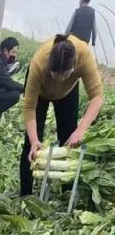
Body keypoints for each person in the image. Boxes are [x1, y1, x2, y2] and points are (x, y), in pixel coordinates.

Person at [20, 33, 103, 195]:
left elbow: (97, 97)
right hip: (40, 94)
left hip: (67, 93)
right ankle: (25, 195)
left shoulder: (84, 55)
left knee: (69, 139)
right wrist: (35, 139)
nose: (58, 80)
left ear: (73, 69)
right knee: (31, 145)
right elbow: (29, 107)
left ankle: (67, 192)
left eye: (64, 75)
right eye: (54, 75)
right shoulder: (39, 63)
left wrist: (81, 130)